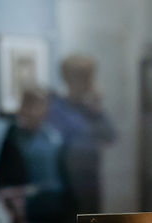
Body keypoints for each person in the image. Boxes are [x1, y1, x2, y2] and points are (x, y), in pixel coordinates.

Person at [0, 87, 75, 223]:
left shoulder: (54, 137)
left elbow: (65, 177)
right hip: (29, 220)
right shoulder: (14, 137)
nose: (36, 111)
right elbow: (4, 181)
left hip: (56, 217)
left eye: (41, 106)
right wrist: (16, 212)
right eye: (32, 105)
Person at [46, 54, 116, 214]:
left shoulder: (90, 109)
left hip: (89, 180)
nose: (89, 82)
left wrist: (97, 110)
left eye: (89, 77)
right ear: (68, 78)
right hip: (65, 181)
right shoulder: (56, 107)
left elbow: (110, 136)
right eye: (83, 77)